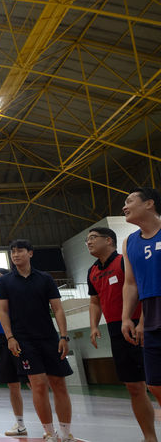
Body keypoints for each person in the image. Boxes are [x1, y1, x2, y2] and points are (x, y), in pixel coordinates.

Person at [0, 239, 74, 442]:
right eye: (12, 252)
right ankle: (49, 432)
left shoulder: (45, 278)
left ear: (30, 253)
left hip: (49, 338)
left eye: (20, 251)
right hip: (23, 341)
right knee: (38, 384)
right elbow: (3, 311)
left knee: (59, 384)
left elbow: (57, 308)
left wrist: (63, 336)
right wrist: (10, 337)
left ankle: (66, 433)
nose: (15, 255)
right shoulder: (6, 281)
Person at [87, 226, 156, 441]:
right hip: (116, 330)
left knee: (156, 384)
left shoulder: (124, 261)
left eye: (93, 238)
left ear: (109, 240)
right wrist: (94, 326)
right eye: (87, 240)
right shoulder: (92, 271)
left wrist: (142, 322)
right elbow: (94, 302)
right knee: (134, 387)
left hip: (140, 325)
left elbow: (141, 289)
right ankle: (149, 437)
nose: (88, 242)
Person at [122, 187, 161, 406]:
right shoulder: (129, 242)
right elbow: (130, 283)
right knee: (154, 383)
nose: (124, 206)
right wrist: (127, 317)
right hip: (151, 314)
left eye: (129, 201)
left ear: (149, 204)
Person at [0, 268, 26, 436]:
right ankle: (20, 424)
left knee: (33, 381)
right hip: (1, 342)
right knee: (12, 385)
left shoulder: (16, 295)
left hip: (18, 339)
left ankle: (48, 424)